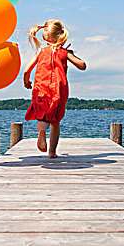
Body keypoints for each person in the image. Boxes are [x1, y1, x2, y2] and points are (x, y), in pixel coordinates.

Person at [23, 19, 86, 158]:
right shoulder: (64, 52)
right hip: (58, 91)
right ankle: (52, 152)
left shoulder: (40, 52)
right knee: (55, 122)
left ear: (45, 37)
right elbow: (82, 65)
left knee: (42, 117)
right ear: (61, 36)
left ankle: (41, 131)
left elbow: (26, 70)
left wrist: (26, 81)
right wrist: (71, 55)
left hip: (40, 89)